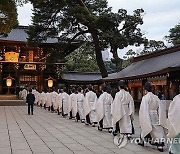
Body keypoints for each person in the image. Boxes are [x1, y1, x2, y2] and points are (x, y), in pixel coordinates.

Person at [139, 82, 166, 152]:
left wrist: (143, 117)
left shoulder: (145, 98)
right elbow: (160, 108)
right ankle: (160, 143)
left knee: (145, 127)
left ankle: (142, 141)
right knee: (157, 129)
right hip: (155, 114)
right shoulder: (156, 97)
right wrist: (161, 116)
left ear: (145, 89)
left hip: (147, 114)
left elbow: (143, 109)